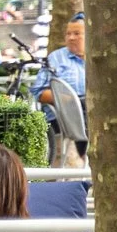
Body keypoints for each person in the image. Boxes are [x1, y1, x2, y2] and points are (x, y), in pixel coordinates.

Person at [37, 12, 87, 158]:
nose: (71, 37)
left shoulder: (99, 59)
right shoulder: (56, 58)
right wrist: (66, 99)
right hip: (63, 115)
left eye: (77, 33)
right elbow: (39, 92)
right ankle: (83, 150)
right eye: (68, 34)